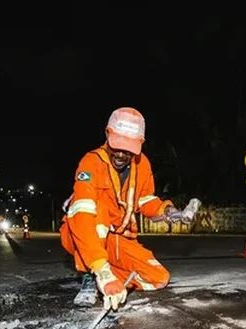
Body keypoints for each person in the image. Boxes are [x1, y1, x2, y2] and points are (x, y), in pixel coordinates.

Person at [59, 107, 199, 310]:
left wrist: (169, 212)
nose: (121, 154)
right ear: (108, 134)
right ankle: (91, 276)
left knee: (158, 278)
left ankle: (109, 277)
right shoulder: (90, 163)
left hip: (118, 239)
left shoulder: (142, 165)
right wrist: (102, 270)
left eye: (128, 149)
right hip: (83, 234)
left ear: (139, 144)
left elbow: (145, 200)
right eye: (117, 146)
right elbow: (82, 214)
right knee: (96, 212)